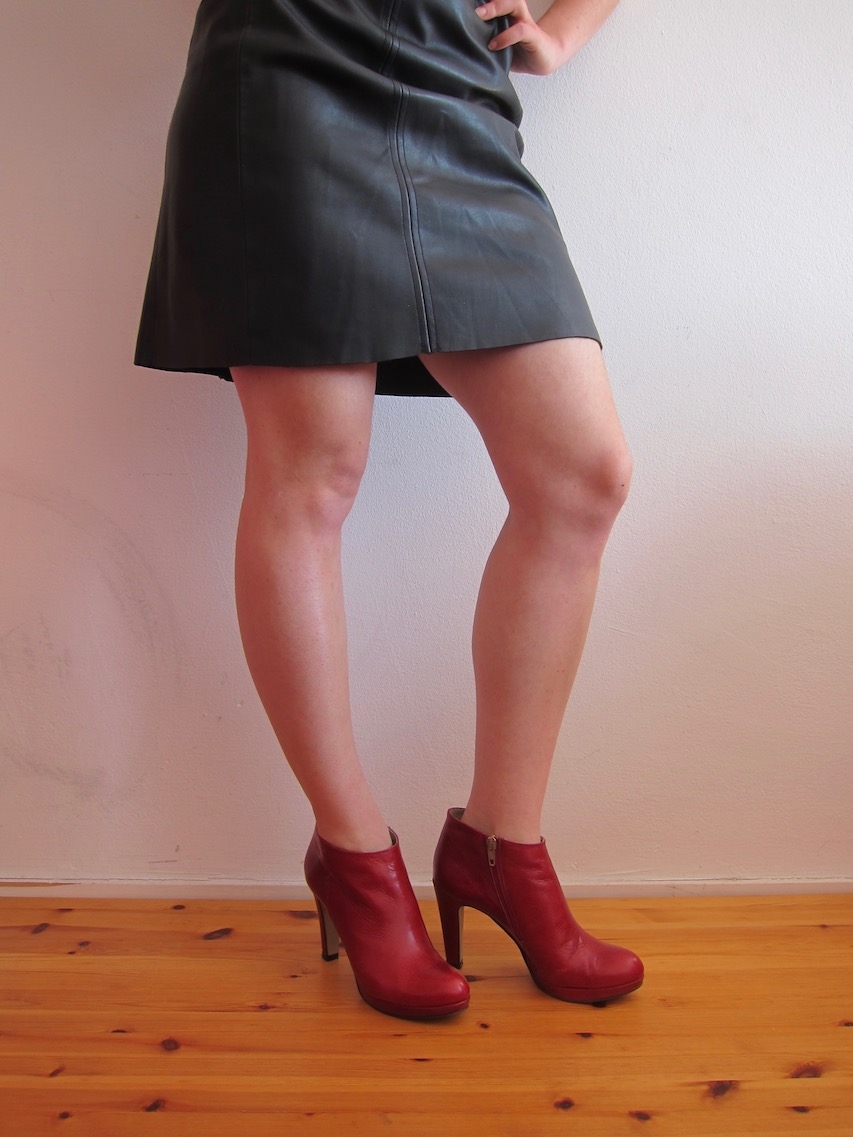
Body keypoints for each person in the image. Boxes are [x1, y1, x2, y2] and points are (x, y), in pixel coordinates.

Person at [135, 0, 643, 1020]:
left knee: (581, 476)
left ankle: (500, 846)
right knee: (311, 474)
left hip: (456, 90)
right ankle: (354, 852)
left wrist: (564, 29)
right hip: (284, 74)